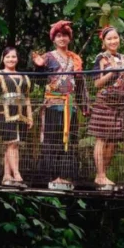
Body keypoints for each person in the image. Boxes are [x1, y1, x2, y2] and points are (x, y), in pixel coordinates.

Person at [32, 20, 89, 187]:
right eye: (58, 36)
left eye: (65, 35)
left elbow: (81, 84)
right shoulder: (48, 57)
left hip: (70, 105)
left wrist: (84, 104)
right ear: (53, 39)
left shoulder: (75, 59)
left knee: (70, 140)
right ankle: (50, 176)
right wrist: (39, 67)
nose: (62, 38)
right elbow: (38, 80)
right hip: (52, 104)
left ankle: (65, 176)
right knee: (52, 139)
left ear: (69, 38)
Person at [88, 26, 124, 186]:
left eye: (115, 38)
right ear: (104, 42)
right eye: (109, 39)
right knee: (101, 138)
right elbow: (96, 83)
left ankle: (102, 174)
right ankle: (100, 175)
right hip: (105, 102)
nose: (113, 41)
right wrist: (111, 72)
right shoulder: (101, 58)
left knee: (113, 140)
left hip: (120, 103)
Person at [0, 47, 33, 185]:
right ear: (3, 59)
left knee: (13, 145)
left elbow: (28, 98)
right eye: (7, 57)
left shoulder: (24, 76)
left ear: (17, 59)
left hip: (21, 113)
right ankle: (16, 174)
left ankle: (7, 175)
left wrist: (30, 116)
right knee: (12, 143)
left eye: (13, 57)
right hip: (5, 113)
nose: (11, 59)